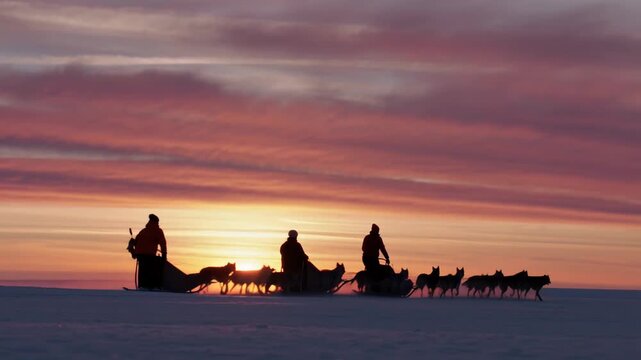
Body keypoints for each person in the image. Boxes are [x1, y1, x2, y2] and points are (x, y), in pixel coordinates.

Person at [132, 214, 167, 289]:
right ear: (156, 222)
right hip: (149, 255)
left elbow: (136, 242)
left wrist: (134, 250)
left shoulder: (143, 231)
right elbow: (163, 243)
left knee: (143, 271)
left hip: (140, 254)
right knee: (153, 271)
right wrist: (164, 254)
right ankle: (154, 286)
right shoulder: (158, 231)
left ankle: (142, 286)